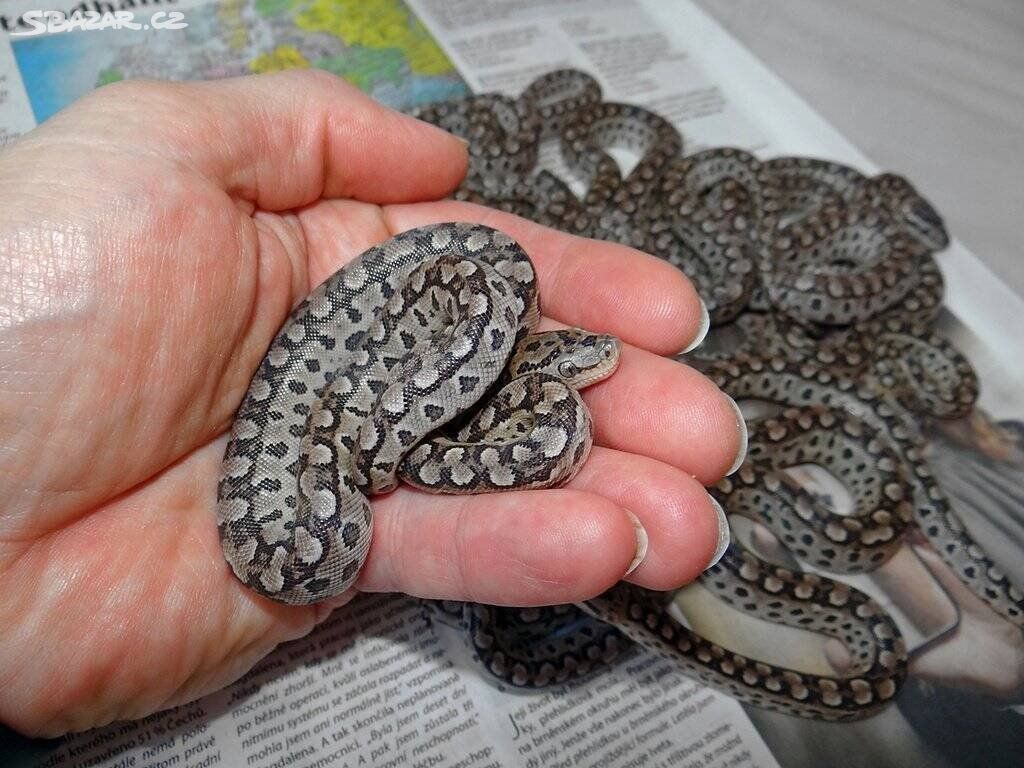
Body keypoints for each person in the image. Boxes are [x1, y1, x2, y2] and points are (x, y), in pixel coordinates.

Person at [0, 70, 745, 738]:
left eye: (582, 354)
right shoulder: (489, 364)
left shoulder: (488, 364)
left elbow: (399, 433)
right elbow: (392, 437)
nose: (599, 356)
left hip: (353, 437)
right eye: (585, 353)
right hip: (329, 467)